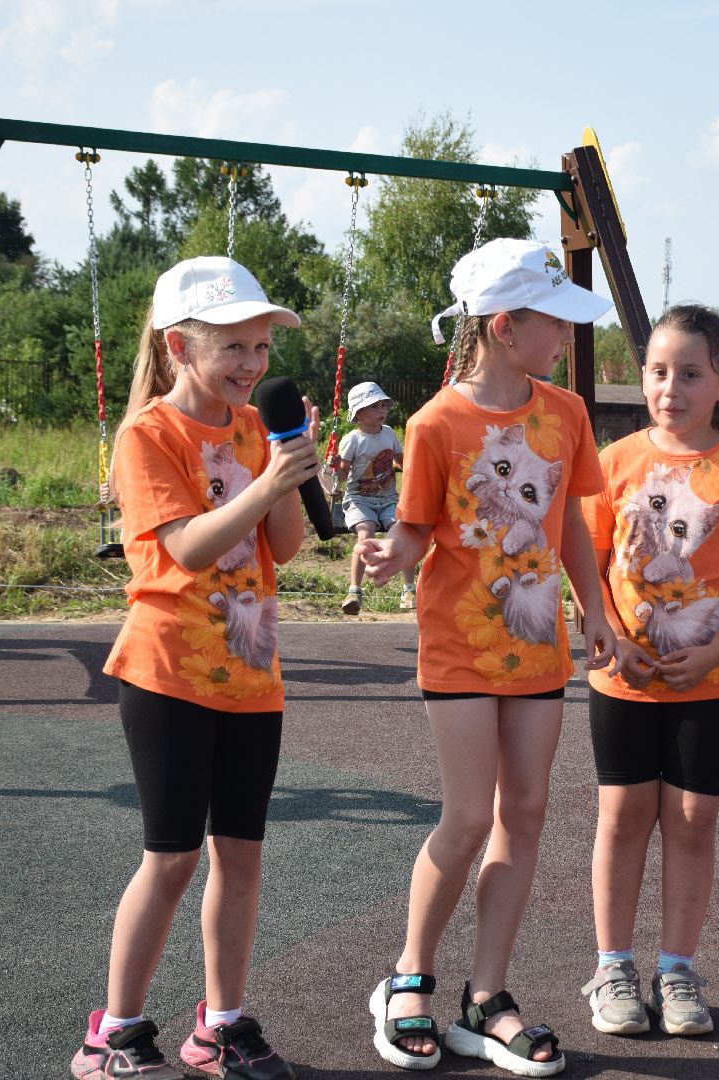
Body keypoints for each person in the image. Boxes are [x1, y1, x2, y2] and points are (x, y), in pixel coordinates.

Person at [355, 238, 617, 1076]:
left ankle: (488, 996)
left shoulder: (566, 411)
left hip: (538, 645)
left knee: (527, 812)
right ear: (505, 327)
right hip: (460, 647)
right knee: (469, 816)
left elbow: (570, 523)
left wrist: (595, 607)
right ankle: (408, 980)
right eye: (554, 325)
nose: (565, 339)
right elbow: (416, 527)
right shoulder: (436, 421)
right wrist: (389, 554)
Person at [73, 256, 315, 1080]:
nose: (253, 363)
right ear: (180, 346)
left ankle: (221, 1025)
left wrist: (287, 469)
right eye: (235, 347)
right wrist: (266, 482)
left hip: (250, 671)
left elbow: (282, 547)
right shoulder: (148, 435)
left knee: (240, 854)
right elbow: (186, 549)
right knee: (171, 857)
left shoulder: (255, 428)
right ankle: (115, 1031)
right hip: (167, 673)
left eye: (260, 347)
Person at [579, 303, 719, 1039]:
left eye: (691, 373)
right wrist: (605, 631)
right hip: (623, 679)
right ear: (643, 380)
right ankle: (612, 967)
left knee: (692, 822)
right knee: (624, 817)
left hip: (711, 682)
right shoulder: (614, 462)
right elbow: (590, 564)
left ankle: (677, 969)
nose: (673, 388)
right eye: (659, 372)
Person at [334, 381, 416, 615]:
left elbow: (401, 461)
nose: (383, 410)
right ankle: (354, 591)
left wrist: (414, 466)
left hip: (388, 499)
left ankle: (408, 589)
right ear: (359, 413)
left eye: (384, 405)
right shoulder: (353, 439)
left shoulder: (389, 433)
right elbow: (342, 473)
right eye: (375, 406)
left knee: (405, 531)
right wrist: (334, 468)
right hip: (360, 499)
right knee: (365, 532)